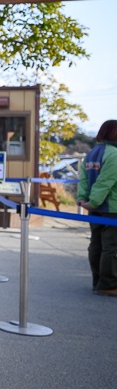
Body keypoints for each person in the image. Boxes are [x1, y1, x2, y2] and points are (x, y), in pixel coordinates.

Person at [77, 119, 117, 296]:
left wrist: (83, 200)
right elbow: (105, 183)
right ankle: (108, 284)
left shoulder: (92, 153)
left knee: (96, 245)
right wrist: (93, 201)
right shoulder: (114, 154)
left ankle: (98, 281)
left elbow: (84, 180)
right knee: (111, 247)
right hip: (111, 207)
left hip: (95, 209)